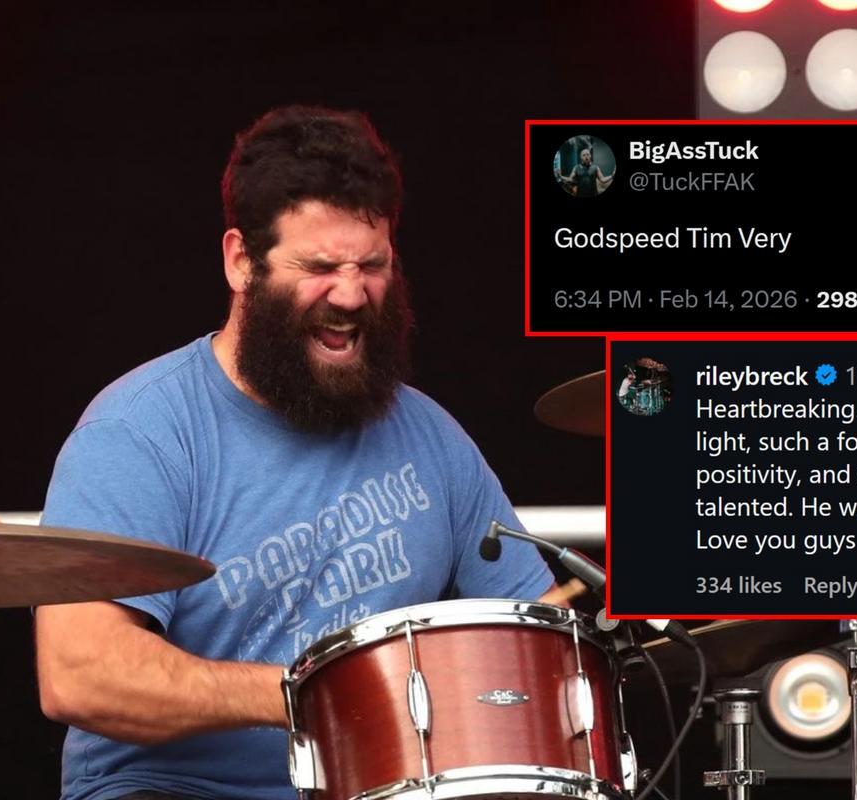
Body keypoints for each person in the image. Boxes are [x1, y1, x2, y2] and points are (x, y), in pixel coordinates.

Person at [35, 106, 559, 800]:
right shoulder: (140, 431)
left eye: (372, 265)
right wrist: (325, 691)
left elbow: (545, 637)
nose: (351, 294)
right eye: (319, 267)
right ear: (240, 262)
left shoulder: (431, 436)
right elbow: (79, 673)